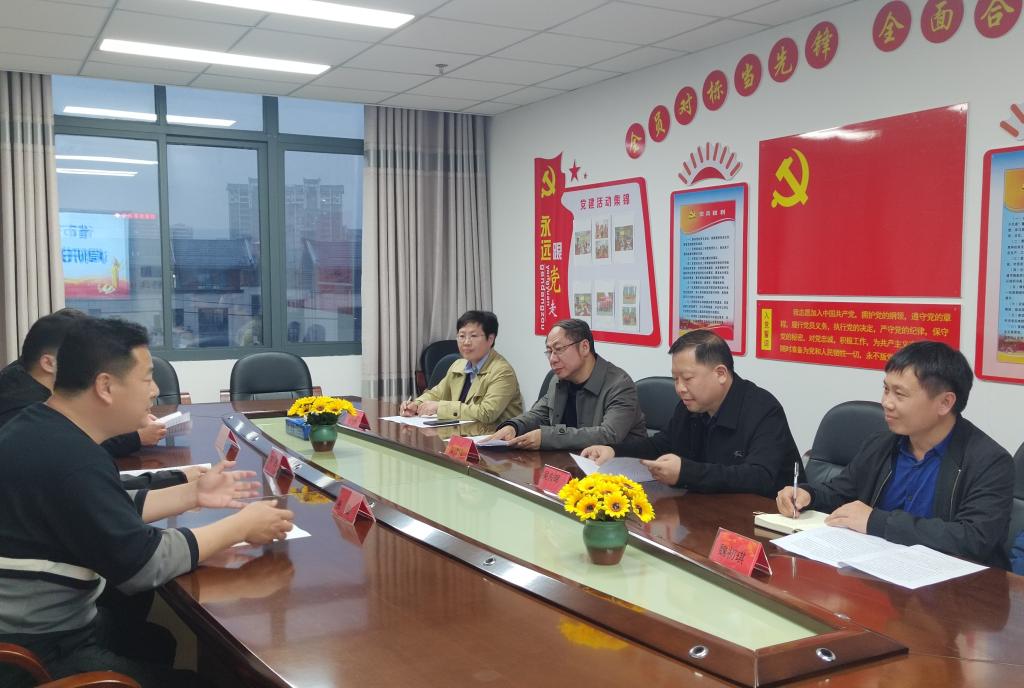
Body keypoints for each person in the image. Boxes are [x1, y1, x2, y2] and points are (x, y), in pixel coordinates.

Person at [0, 317, 294, 687]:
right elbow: (143, 564)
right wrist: (240, 527)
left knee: (156, 641)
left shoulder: (39, 427)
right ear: (105, 386)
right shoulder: (71, 459)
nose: (154, 391)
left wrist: (192, 494)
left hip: (37, 627)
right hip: (36, 651)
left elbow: (99, 506)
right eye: (146, 378)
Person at [776, 341, 1013, 568]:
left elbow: (973, 539)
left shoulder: (989, 461)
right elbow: (841, 493)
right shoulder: (882, 444)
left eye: (899, 394)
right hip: (878, 571)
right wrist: (807, 494)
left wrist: (876, 522)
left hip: (955, 586)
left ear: (945, 403)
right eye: (886, 389)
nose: (886, 403)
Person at [581, 330, 802, 496]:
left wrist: (687, 473)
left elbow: (759, 477)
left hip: (763, 518)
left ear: (721, 373)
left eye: (687, 379)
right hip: (707, 508)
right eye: (675, 379)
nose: (679, 388)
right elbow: (661, 445)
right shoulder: (691, 406)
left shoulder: (763, 409)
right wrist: (614, 451)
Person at [0, 310, 193, 489]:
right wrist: (136, 437)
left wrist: (179, 481)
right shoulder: (23, 409)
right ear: (49, 363)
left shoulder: (36, 388)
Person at [486, 319, 646, 450]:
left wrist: (547, 437)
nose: (552, 359)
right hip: (569, 462)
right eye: (549, 351)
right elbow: (540, 413)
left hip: (616, 469)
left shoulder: (619, 385)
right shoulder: (559, 379)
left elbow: (608, 435)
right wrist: (514, 426)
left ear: (584, 347)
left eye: (559, 349)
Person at [401, 311, 523, 426]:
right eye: (461, 336)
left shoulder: (502, 372)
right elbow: (437, 394)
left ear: (490, 339)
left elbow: (487, 413)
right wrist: (416, 404)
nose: (466, 342)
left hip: (495, 437)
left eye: (473, 336)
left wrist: (439, 407)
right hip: (463, 435)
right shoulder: (458, 365)